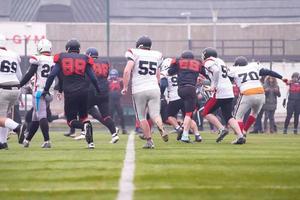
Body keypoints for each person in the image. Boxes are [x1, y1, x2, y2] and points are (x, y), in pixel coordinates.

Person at [43, 39, 101, 149]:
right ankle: (91, 143)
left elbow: (52, 75)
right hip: (84, 92)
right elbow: (93, 77)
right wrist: (98, 90)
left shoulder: (61, 57)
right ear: (79, 49)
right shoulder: (85, 58)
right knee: (84, 118)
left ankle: (84, 128)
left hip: (70, 93)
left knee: (71, 121)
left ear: (67, 49)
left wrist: (46, 89)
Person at [122, 35, 168, 149]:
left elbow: (127, 71)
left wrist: (125, 87)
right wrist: (157, 85)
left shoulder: (134, 52)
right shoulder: (157, 55)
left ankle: (149, 141)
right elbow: (158, 74)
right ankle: (161, 127)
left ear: (139, 45)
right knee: (155, 114)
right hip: (154, 88)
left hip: (139, 89)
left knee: (141, 117)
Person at [228, 56, 287, 136]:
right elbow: (268, 72)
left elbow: (227, 80)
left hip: (247, 93)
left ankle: (241, 135)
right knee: (254, 113)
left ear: (237, 65)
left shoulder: (234, 70)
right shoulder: (253, 66)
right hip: (260, 93)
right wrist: (282, 78)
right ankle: (244, 131)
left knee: (237, 117)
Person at [73, 47, 120, 143]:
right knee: (106, 116)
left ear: (89, 55)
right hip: (104, 91)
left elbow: (85, 77)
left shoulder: (87, 62)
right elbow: (106, 76)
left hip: (92, 91)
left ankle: (83, 132)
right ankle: (114, 134)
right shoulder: (105, 63)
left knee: (81, 110)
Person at [201, 47, 245, 144]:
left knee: (205, 112)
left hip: (219, 92)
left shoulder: (209, 61)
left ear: (206, 55)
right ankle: (240, 136)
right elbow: (224, 75)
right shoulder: (220, 61)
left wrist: (213, 86)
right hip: (229, 90)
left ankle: (222, 129)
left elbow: (216, 71)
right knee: (229, 116)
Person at [19, 39, 55, 148]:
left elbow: (30, 74)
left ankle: (47, 141)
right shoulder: (53, 60)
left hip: (39, 92)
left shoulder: (37, 59)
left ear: (39, 48)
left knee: (41, 115)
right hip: (50, 92)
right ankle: (27, 140)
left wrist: (19, 85)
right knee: (35, 117)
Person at [161, 57, 202, 142]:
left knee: (169, 116)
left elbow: (163, 85)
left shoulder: (165, 73)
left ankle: (178, 128)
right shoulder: (181, 71)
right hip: (186, 95)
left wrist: (161, 94)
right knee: (188, 116)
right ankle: (197, 135)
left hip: (174, 97)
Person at [0, 33, 23, 149]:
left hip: (2, 88)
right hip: (15, 88)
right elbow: (19, 75)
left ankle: (17, 127)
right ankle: (2, 143)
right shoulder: (13, 55)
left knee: (1, 118)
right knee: (3, 118)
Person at [108, 69, 128, 134]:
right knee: (110, 116)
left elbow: (125, 86)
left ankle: (123, 129)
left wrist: (122, 93)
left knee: (121, 115)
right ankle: (111, 129)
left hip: (118, 101)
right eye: (112, 75)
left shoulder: (120, 81)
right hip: (111, 101)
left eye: (114, 75)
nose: (113, 76)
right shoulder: (108, 81)